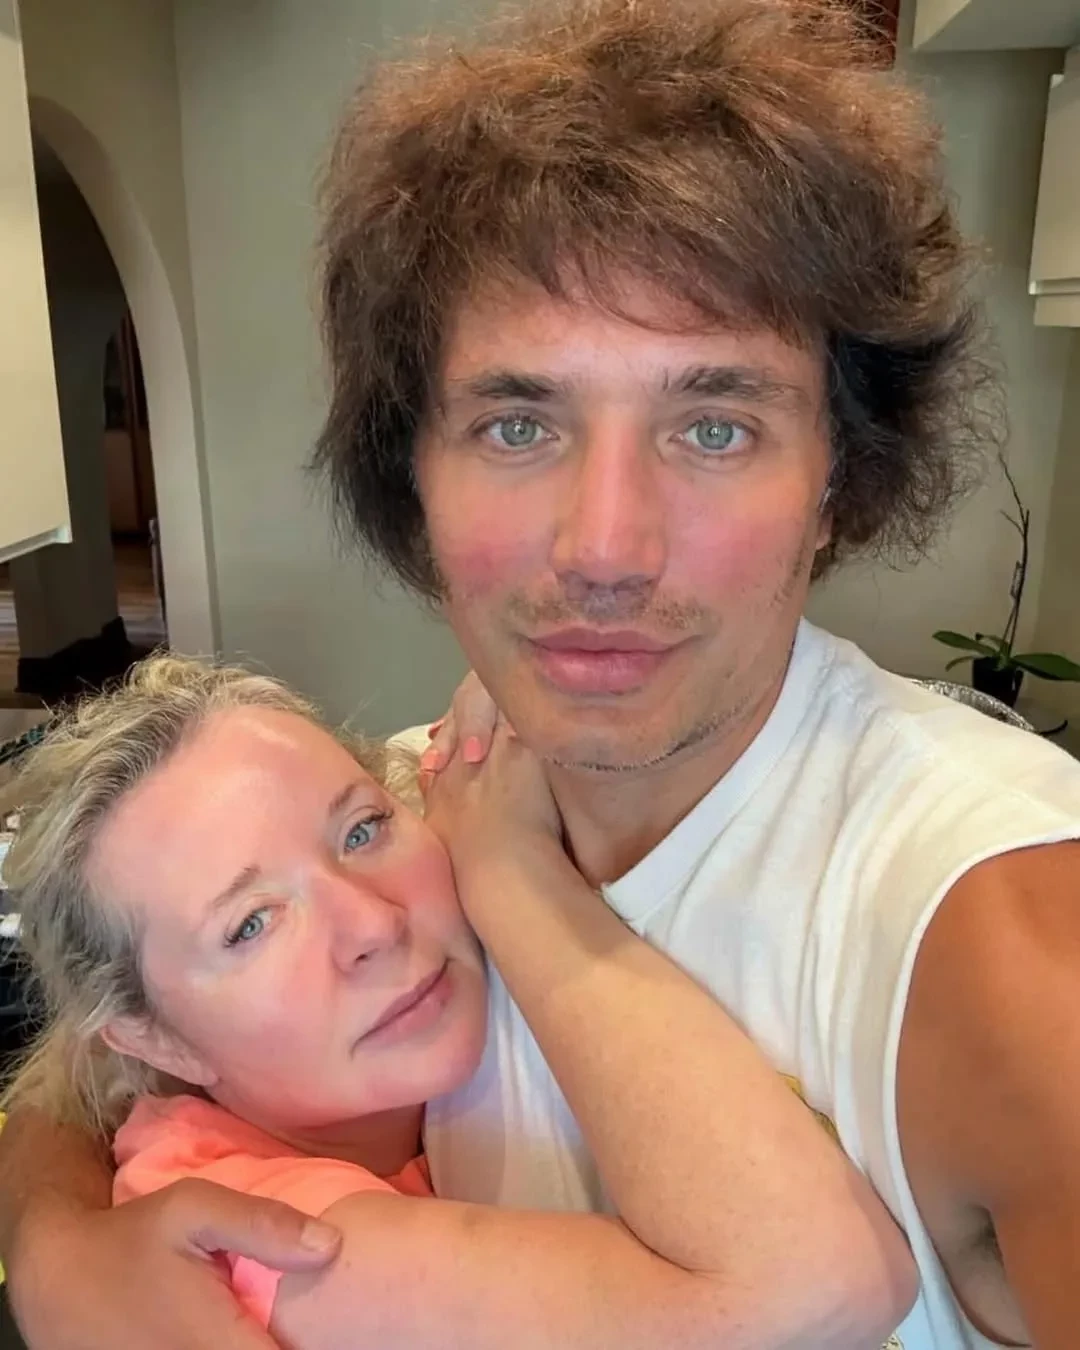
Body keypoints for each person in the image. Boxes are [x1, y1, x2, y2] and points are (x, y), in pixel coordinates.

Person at [2, 0, 1078, 1346]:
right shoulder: (409, 809)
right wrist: (58, 1239)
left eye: (715, 425)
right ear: (414, 476)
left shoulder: (1006, 945)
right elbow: (99, 1053)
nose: (605, 548)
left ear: (836, 482)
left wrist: (519, 886)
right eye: (518, 425)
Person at [0, 654, 911, 1349]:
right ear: (154, 1038)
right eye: (250, 925)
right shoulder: (251, 1242)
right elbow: (825, 1286)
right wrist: (511, 868)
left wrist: (524, 693)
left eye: (362, 829)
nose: (372, 923)